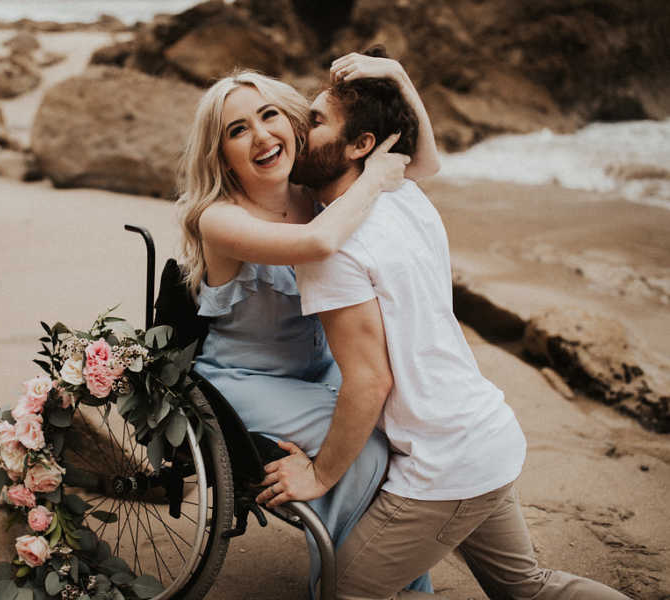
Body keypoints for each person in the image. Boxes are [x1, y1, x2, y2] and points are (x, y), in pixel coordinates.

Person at [256, 53, 632, 600]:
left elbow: (369, 382)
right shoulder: (401, 193)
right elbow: (423, 159)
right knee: (525, 588)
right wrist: (399, 77)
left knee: (344, 592)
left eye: (314, 121)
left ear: (362, 146)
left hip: (445, 461)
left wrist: (317, 476)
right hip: (485, 433)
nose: (296, 131)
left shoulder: (332, 250)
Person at [176, 54, 440, 596]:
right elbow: (317, 244)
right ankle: (347, 586)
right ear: (221, 155)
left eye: (271, 115)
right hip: (244, 385)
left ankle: (389, 576)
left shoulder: (313, 190)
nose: (262, 136)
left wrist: (397, 76)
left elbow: (425, 165)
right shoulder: (221, 220)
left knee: (408, 425)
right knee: (364, 447)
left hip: (318, 374)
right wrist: (371, 181)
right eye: (237, 130)